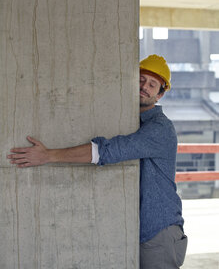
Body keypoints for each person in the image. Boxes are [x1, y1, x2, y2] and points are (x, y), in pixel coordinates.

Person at [7, 54, 187, 269]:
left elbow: (107, 151)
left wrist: (48, 155)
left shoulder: (159, 128)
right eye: (140, 80)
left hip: (159, 232)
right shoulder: (133, 122)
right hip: (141, 230)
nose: (143, 87)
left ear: (159, 94)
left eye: (152, 84)